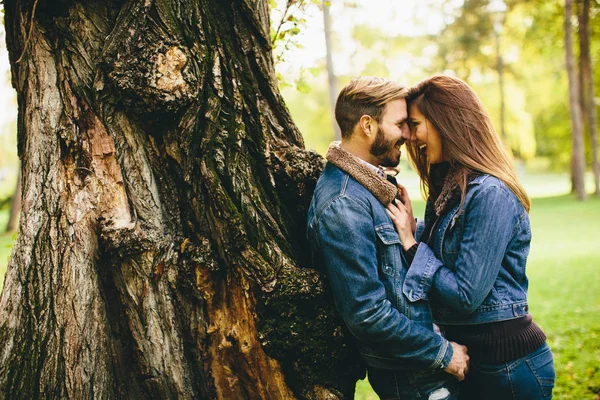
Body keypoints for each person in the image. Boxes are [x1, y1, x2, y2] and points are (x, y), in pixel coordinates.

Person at [386, 74, 556, 400]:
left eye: (415, 124)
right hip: (478, 365)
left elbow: (467, 294)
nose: (408, 136)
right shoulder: (452, 189)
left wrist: (410, 243)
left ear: (445, 121)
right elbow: (449, 251)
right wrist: (412, 226)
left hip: (509, 371)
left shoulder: (490, 193)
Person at [306, 76, 469, 400]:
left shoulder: (371, 190)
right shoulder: (344, 204)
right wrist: (443, 353)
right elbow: (367, 313)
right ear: (367, 125)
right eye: (400, 124)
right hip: (414, 377)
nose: (408, 136)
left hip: (424, 368)